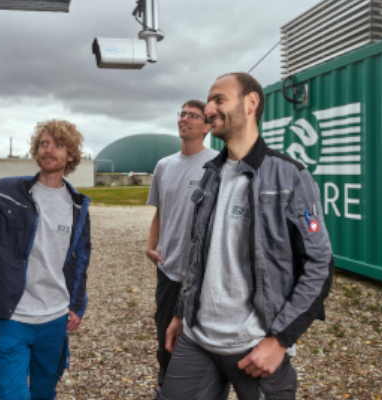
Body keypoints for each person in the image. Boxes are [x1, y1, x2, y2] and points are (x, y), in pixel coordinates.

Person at [161, 73, 334, 400]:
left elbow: (320, 264)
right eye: (209, 101)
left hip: (254, 348)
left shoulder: (290, 175)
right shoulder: (210, 175)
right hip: (196, 340)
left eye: (219, 100)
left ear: (251, 103)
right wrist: (181, 313)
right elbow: (197, 254)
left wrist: (280, 340)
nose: (209, 109)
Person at [0, 119, 91, 400]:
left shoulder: (77, 205)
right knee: (10, 394)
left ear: (71, 155)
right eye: (43, 144)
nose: (48, 150)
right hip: (10, 317)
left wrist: (76, 305)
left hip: (54, 319)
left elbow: (81, 258)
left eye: (58, 145)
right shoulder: (4, 192)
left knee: (43, 391)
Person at [146, 100, 218, 398]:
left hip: (205, 275)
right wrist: (151, 246)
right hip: (170, 271)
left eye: (193, 116)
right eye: (182, 114)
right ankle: (165, 386)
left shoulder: (218, 163)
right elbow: (160, 212)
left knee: (202, 340)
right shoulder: (164, 165)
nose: (184, 119)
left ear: (207, 126)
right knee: (166, 337)